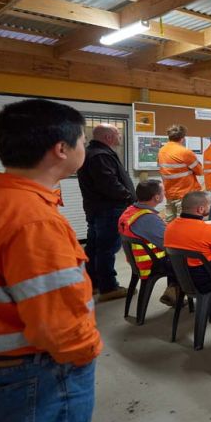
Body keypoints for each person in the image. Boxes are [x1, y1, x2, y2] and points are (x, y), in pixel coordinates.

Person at [0, 98, 101, 422]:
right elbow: (60, 326)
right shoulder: (33, 221)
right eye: (83, 140)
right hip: (36, 376)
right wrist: (85, 357)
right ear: (61, 149)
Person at [77, 123, 134, 301]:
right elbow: (109, 184)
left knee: (95, 246)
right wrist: (128, 197)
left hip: (98, 208)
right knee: (107, 248)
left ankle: (93, 283)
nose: (120, 137)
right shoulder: (100, 155)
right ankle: (108, 287)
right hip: (109, 209)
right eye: (117, 134)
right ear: (108, 137)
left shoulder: (92, 153)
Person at [117, 180, 173, 303]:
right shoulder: (147, 218)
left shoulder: (130, 210)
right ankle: (175, 292)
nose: (165, 192)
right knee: (183, 259)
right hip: (151, 264)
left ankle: (173, 291)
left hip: (136, 262)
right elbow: (170, 243)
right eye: (163, 190)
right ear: (157, 197)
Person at [164, 191, 211, 295]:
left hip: (180, 277)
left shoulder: (169, 227)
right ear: (201, 209)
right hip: (205, 280)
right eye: (209, 204)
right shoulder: (207, 230)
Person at [157, 123, 203, 221]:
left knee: (170, 223)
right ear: (182, 138)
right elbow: (199, 171)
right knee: (183, 223)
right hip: (184, 195)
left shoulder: (161, 151)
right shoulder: (185, 152)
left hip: (169, 193)